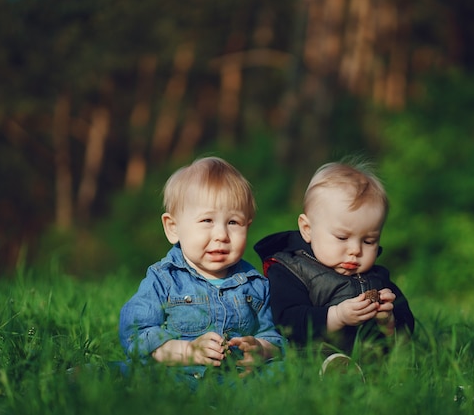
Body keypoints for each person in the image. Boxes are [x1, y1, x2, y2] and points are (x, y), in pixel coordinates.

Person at [119, 156, 284, 384]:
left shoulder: (256, 284)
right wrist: (188, 351)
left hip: (237, 379)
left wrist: (261, 349)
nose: (221, 235)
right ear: (173, 228)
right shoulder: (164, 279)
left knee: (283, 372)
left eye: (233, 222)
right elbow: (136, 332)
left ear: (248, 225)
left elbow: (275, 337)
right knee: (124, 373)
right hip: (175, 375)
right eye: (207, 220)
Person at [254, 160, 414, 375]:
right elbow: (287, 321)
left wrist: (389, 321)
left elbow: (407, 327)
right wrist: (337, 316)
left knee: (389, 362)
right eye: (342, 237)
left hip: (369, 361)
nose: (355, 250)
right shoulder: (291, 270)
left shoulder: (377, 277)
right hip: (311, 360)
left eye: (368, 241)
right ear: (307, 229)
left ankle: (375, 374)